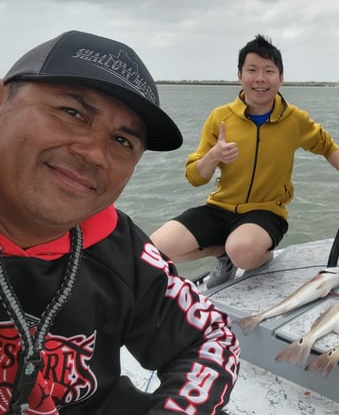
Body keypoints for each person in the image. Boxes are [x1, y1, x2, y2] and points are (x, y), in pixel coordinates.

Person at [0, 30, 240, 413]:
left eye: (123, 141)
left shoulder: (117, 242)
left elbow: (210, 337)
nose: (95, 153)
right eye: (73, 113)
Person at [151, 35, 339, 289]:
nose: (260, 79)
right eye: (252, 70)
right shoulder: (220, 117)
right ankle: (223, 254)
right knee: (154, 250)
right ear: (239, 75)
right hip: (220, 208)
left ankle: (244, 253)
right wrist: (213, 156)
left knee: (242, 249)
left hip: (267, 212)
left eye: (269, 71)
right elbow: (194, 176)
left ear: (281, 78)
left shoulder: (293, 119)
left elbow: (327, 146)